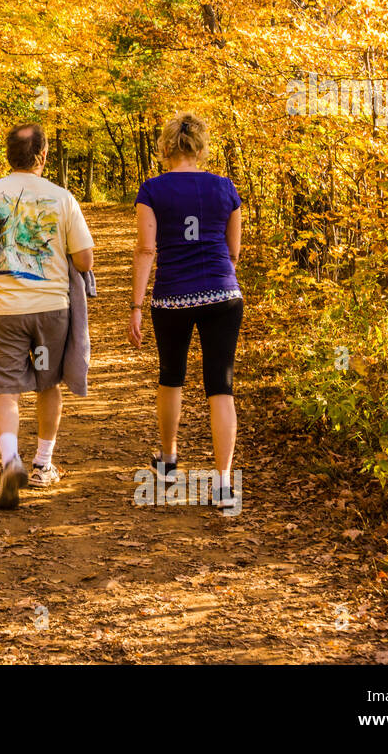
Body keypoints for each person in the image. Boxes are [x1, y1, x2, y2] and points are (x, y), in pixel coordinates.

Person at [0, 123, 94, 509]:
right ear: (44, 155)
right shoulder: (62, 197)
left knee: (6, 387)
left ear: (7, 156)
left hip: (4, 313)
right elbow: (84, 259)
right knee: (47, 382)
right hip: (50, 313)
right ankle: (42, 464)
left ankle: (9, 460)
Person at [128, 112, 243, 510]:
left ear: (166, 146)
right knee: (220, 385)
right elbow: (232, 252)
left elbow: (146, 250)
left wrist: (136, 306)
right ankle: (225, 483)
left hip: (172, 294)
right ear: (200, 146)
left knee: (171, 375)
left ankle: (170, 460)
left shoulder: (152, 190)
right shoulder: (226, 188)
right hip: (222, 293)